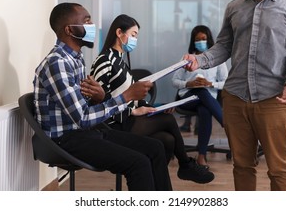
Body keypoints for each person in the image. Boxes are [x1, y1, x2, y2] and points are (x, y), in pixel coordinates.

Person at [183, 0, 286, 191]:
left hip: (273, 98)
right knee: (241, 165)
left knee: (279, 168)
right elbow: (223, 47)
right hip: (235, 97)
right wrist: (201, 60)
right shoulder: (235, 7)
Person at [33, 2, 172, 191]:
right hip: (66, 139)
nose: (92, 27)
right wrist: (126, 96)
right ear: (69, 29)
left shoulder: (76, 59)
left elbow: (80, 106)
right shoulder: (56, 63)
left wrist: (99, 97)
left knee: (155, 148)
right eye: (87, 21)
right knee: (138, 163)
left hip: (85, 131)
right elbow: (82, 118)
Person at [89, 14, 215, 184]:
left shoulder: (120, 60)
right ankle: (185, 164)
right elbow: (101, 103)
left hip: (127, 117)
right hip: (114, 124)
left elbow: (130, 95)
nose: (135, 40)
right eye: (133, 35)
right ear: (119, 33)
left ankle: (163, 189)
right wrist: (132, 111)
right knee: (168, 120)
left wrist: (150, 107)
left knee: (167, 140)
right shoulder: (104, 61)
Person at [172, 25, 228, 168]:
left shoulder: (216, 60)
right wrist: (189, 83)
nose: (200, 42)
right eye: (197, 40)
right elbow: (174, 81)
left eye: (203, 39)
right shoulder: (187, 58)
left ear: (209, 40)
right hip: (187, 99)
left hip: (207, 100)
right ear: (193, 41)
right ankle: (226, 124)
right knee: (201, 91)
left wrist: (210, 84)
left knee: (205, 109)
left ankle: (201, 156)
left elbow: (225, 83)